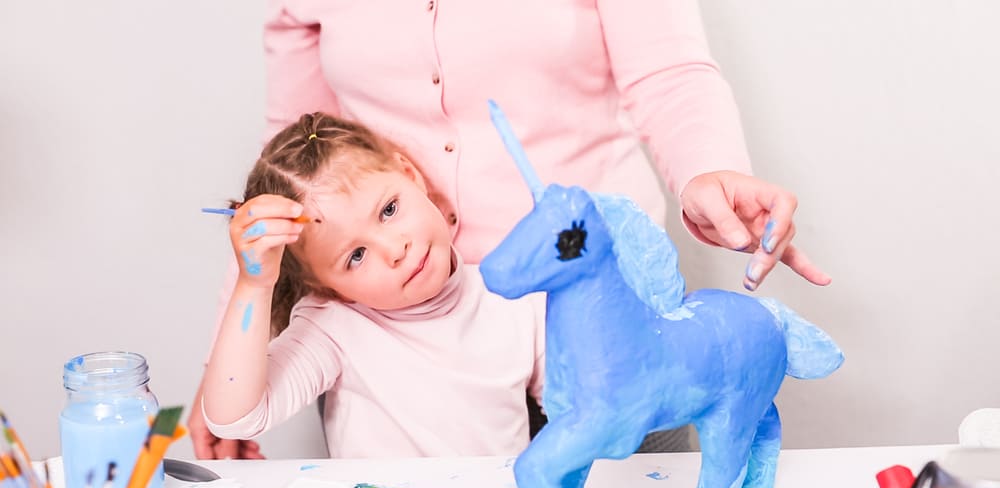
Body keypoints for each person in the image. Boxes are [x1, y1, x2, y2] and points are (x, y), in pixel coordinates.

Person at [191, 0, 832, 459]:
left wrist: (709, 172)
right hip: (396, 349)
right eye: (364, 246)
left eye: (389, 213)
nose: (393, 243)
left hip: (599, 312)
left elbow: (668, 74)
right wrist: (229, 348)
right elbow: (288, 167)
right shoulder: (339, 337)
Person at [201, 112, 545, 458]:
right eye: (356, 256)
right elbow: (233, 419)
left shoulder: (520, 303)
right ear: (323, 285)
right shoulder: (333, 327)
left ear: (409, 175)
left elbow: (585, 418)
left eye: (389, 210)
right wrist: (254, 286)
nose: (395, 249)